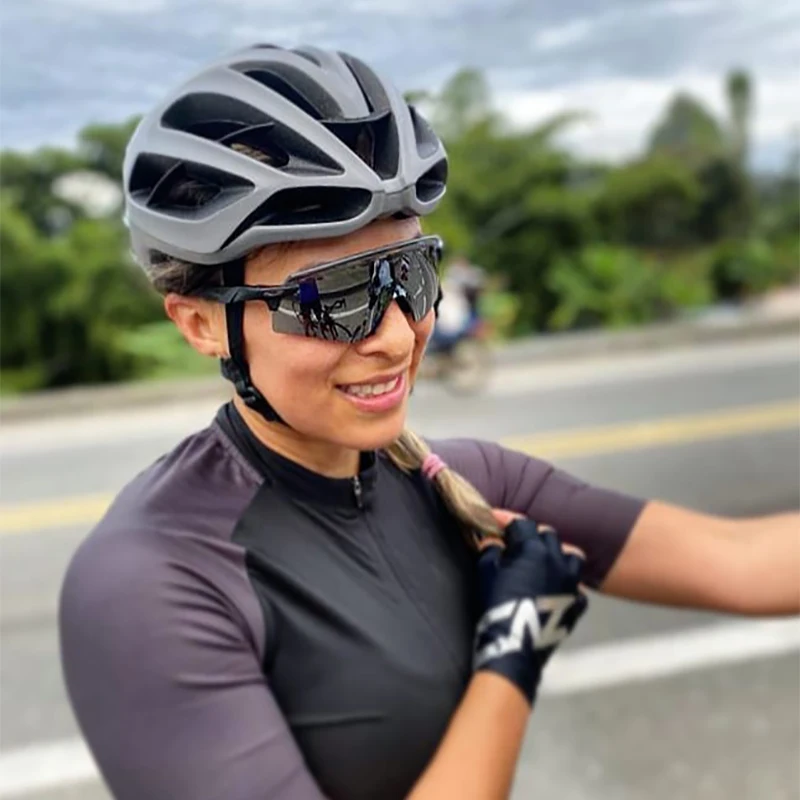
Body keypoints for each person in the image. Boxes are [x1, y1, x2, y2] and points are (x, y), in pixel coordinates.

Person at [58, 44, 799, 800]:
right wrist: (510, 661)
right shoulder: (152, 581)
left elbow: (740, 561)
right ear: (201, 323)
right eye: (333, 298)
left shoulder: (458, 483)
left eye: (410, 275)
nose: (396, 335)